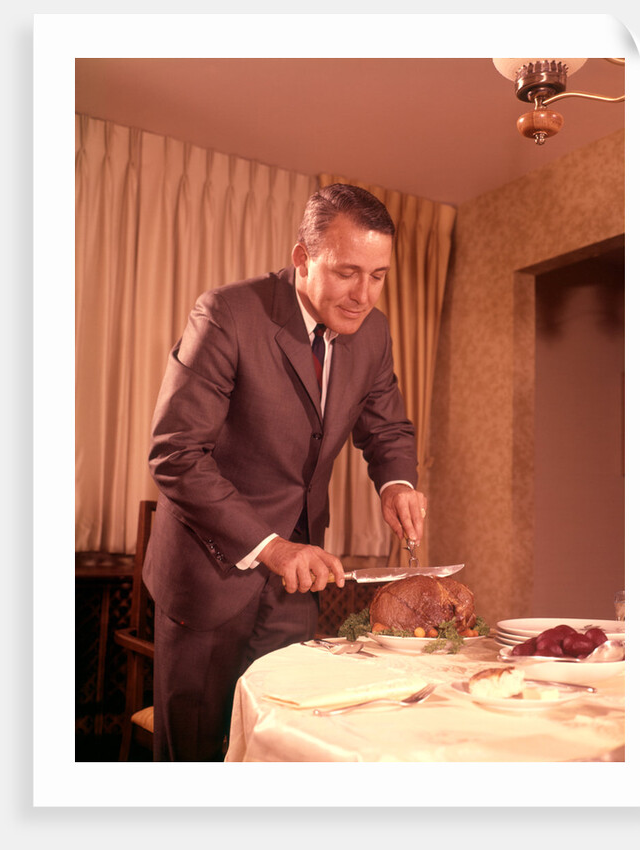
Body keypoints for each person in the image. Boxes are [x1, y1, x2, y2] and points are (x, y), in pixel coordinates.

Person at [143, 183, 427, 760]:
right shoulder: (227, 313)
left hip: (298, 583)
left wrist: (396, 481)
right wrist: (271, 546)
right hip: (208, 574)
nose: (363, 295)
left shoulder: (372, 332)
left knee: (282, 748)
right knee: (196, 759)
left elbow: (387, 427)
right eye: (348, 272)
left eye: (378, 275)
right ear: (302, 256)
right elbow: (175, 453)